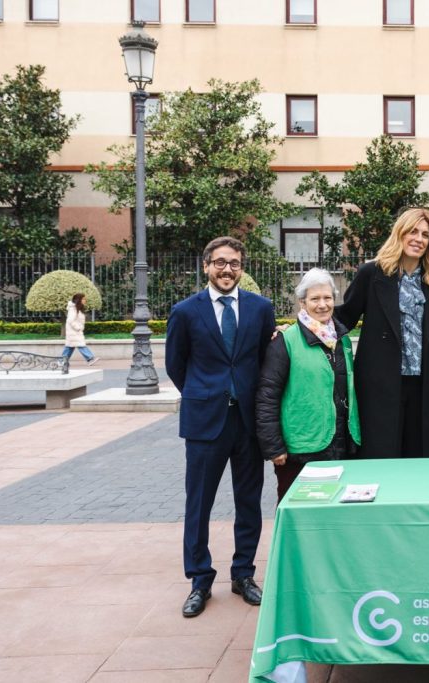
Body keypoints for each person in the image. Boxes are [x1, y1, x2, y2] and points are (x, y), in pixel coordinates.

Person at [165, 236, 276, 618]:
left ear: (241, 268)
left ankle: (244, 574)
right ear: (206, 266)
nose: (227, 269)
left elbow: (264, 359)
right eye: (220, 263)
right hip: (204, 423)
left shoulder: (261, 308)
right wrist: (204, 393)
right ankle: (199, 579)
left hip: (247, 422)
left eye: (234, 263)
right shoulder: (185, 311)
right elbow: (176, 365)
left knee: (249, 502)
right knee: (199, 504)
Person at [335, 207, 429, 458]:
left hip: (424, 385)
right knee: (381, 452)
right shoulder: (372, 274)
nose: (418, 239)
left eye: (425, 235)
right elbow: (343, 317)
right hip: (381, 382)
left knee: (420, 455)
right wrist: (301, 328)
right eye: (412, 232)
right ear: (400, 233)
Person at [256, 268, 360, 502]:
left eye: (327, 298)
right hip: (302, 447)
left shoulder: (342, 340)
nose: (322, 305)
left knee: (336, 508)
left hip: (342, 443)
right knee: (300, 507)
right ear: (302, 303)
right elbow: (267, 395)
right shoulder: (285, 341)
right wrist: (274, 447)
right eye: (315, 299)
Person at [61, 293, 98, 365]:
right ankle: (90, 358)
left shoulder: (77, 308)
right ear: (79, 300)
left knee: (70, 347)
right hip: (74, 331)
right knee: (80, 344)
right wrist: (78, 328)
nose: (85, 300)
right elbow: (70, 320)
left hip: (74, 332)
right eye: (83, 299)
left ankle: (62, 361)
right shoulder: (73, 309)